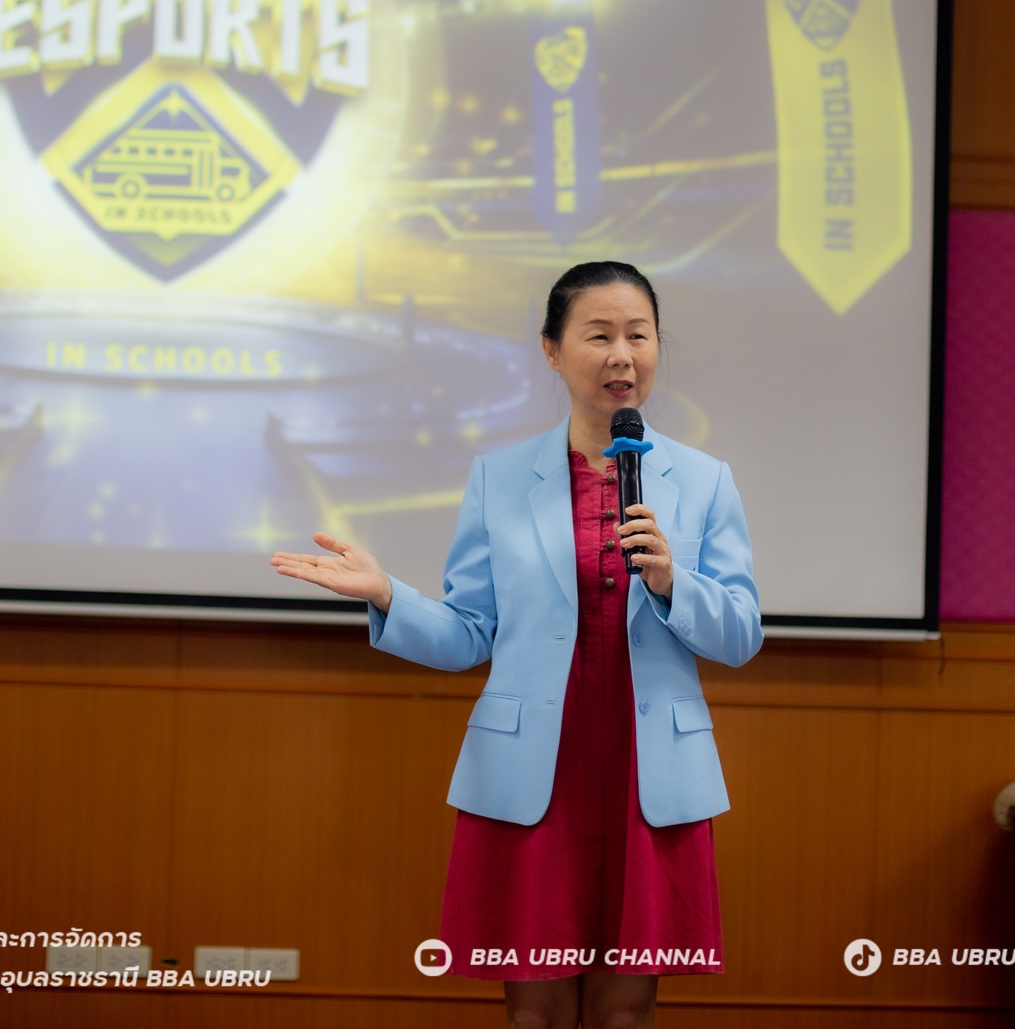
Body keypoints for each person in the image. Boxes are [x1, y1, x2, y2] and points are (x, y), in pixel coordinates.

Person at [270, 261, 763, 1029]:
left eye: (639, 335)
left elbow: (740, 635)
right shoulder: (498, 479)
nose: (622, 355)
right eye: (599, 335)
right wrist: (388, 593)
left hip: (649, 778)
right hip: (535, 775)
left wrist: (674, 582)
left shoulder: (703, 481)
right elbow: (469, 632)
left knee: (626, 1008)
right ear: (552, 350)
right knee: (533, 1006)